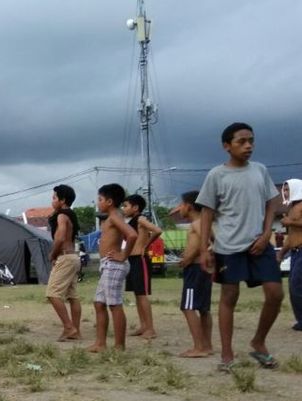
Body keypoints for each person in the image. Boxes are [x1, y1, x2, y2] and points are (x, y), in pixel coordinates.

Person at [197, 122, 283, 371]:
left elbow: (271, 203)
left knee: (276, 293)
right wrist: (204, 249)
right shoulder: (216, 175)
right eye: (241, 141)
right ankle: (226, 354)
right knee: (229, 297)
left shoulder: (260, 170)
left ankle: (258, 342)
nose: (248, 146)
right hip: (228, 246)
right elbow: (206, 213)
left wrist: (267, 233)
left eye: (251, 141)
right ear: (227, 146)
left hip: (259, 243)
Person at [87, 184, 137, 353]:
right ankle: (100, 343)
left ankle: (119, 346)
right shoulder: (111, 217)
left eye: (100, 199)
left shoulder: (115, 216)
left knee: (114, 304)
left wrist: (123, 255)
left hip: (114, 265)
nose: (98, 202)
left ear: (109, 201)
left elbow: (132, 235)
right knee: (99, 303)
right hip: (107, 265)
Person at [172, 191, 213, 357]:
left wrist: (187, 259)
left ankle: (199, 347)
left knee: (188, 307)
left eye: (181, 205)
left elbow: (202, 243)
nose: (178, 208)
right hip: (200, 270)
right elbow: (212, 239)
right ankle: (207, 345)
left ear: (188, 206)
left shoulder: (197, 223)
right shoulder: (202, 221)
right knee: (203, 309)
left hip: (195, 270)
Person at [121, 194, 162, 339]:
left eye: (126, 205)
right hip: (131, 260)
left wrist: (147, 244)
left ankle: (150, 328)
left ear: (135, 207)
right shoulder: (131, 221)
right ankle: (143, 326)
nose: (123, 208)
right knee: (137, 294)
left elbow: (157, 230)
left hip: (140, 260)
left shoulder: (140, 219)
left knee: (142, 294)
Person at [46, 185, 82, 342]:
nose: (52, 201)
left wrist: (52, 255)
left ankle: (69, 327)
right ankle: (76, 330)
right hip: (74, 257)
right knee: (72, 296)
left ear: (63, 200)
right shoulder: (71, 215)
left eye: (54, 197)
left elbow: (60, 238)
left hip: (65, 257)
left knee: (53, 293)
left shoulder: (61, 215)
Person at [278, 178, 302, 331]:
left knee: (296, 284)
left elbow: (293, 226)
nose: (286, 192)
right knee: (293, 286)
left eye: (288, 189)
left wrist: (290, 222)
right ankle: (300, 320)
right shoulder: (291, 208)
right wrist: (281, 254)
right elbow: (291, 236)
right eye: (284, 190)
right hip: (294, 253)